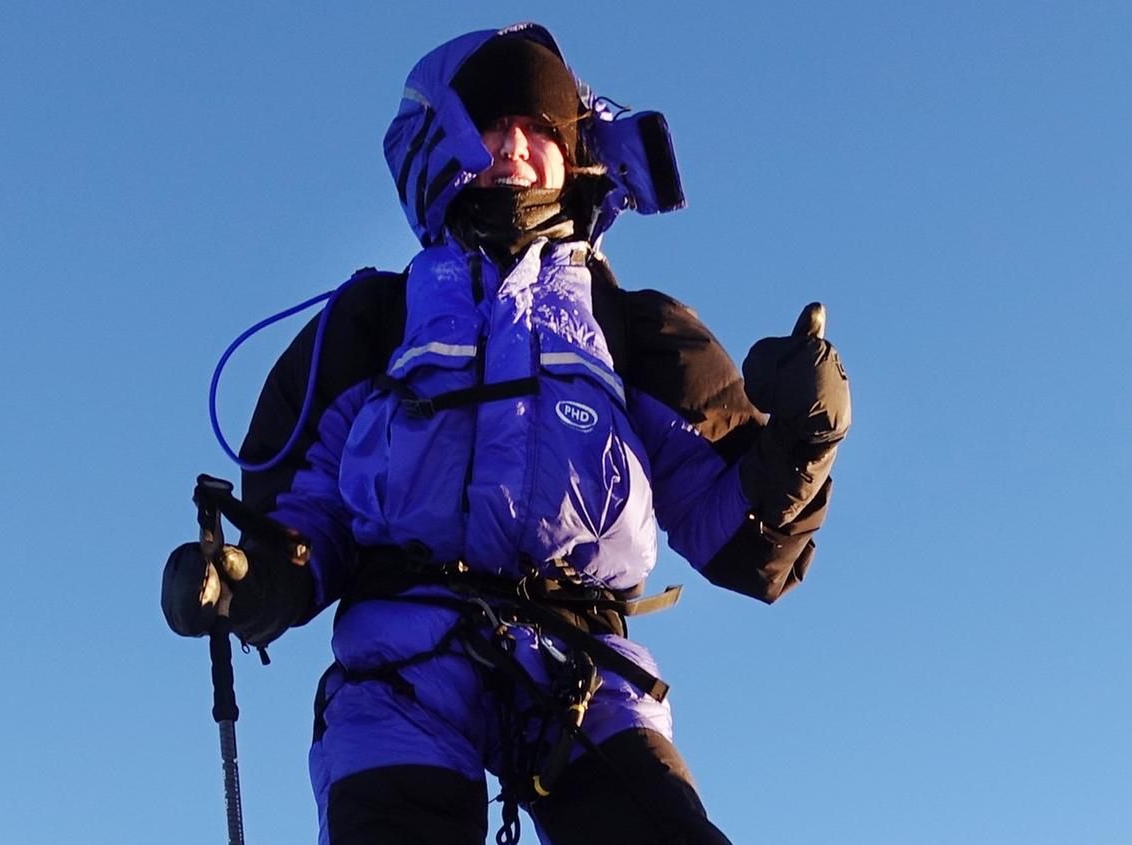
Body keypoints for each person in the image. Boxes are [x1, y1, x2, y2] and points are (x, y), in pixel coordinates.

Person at [163, 22, 850, 845]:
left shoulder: (631, 329)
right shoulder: (375, 323)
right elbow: (312, 507)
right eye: (495, 124)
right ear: (449, 142)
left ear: (577, 152)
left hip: (579, 673)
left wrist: (805, 442)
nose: (517, 146)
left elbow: (735, 528)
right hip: (400, 666)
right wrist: (259, 576)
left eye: (540, 129)